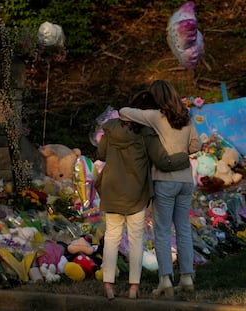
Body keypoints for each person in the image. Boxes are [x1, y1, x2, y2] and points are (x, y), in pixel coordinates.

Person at [96, 90, 191, 300]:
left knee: (111, 237)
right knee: (136, 239)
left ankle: (108, 285)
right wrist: (183, 160)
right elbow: (161, 160)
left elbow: (101, 154)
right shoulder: (147, 134)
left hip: (112, 191)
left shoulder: (110, 129)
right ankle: (133, 288)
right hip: (137, 192)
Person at [119, 80, 201, 298]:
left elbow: (124, 112)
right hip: (185, 180)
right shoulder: (186, 117)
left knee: (162, 231)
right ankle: (186, 277)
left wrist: (143, 99)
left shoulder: (155, 117)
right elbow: (196, 146)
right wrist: (181, 151)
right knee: (183, 228)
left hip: (164, 180)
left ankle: (165, 279)